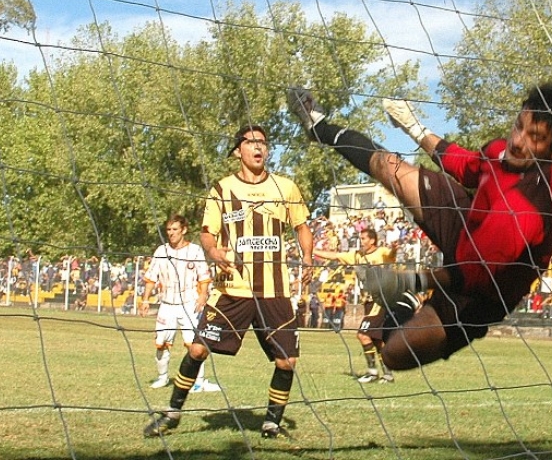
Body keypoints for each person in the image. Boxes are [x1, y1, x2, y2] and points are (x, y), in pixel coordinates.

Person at [288, 80, 552, 370]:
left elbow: (471, 273)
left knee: (394, 353)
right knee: (387, 165)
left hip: (482, 292)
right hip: (465, 224)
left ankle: (405, 302)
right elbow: (466, 166)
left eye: (535, 137)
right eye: (519, 126)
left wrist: (407, 281)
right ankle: (319, 127)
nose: (518, 141)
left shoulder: (528, 208)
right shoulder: (502, 152)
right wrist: (413, 127)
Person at [144, 124, 313, 441]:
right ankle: (172, 414)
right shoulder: (221, 190)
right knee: (196, 349)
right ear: (238, 151)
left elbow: (302, 227)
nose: (258, 147)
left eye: (263, 142)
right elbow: (207, 232)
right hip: (231, 289)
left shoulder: (286, 188)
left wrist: (307, 256)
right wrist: (212, 250)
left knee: (286, 361)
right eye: (251, 142)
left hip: (274, 291)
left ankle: (272, 422)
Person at [139, 215, 220, 393]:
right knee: (161, 343)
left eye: (175, 229)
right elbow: (151, 277)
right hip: (167, 304)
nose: (171, 233)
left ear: (183, 230)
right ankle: (162, 378)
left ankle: (198, 381)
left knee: (194, 344)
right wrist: (145, 299)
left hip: (190, 303)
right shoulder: (161, 251)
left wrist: (202, 296)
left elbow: (204, 276)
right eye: (169, 230)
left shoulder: (195, 251)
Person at [315, 227, 397, 383]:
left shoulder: (381, 252)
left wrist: (394, 249)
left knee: (363, 335)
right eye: (361, 238)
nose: (361, 241)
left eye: (364, 238)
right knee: (377, 340)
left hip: (380, 300)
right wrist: (313, 250)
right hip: (367, 300)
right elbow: (335, 256)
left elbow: (391, 256)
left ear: (372, 240)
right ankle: (388, 375)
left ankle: (372, 373)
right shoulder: (356, 255)